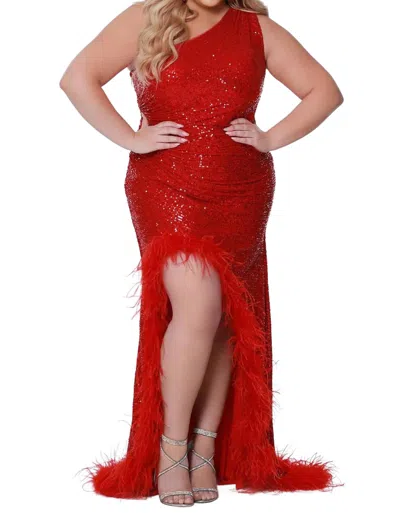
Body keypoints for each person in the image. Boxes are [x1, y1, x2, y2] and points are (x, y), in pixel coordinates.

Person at [60, 0, 343, 507]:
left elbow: (325, 91)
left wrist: (270, 138)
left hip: (241, 190)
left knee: (225, 315)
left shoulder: (256, 30)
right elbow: (77, 78)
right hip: (165, 186)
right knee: (200, 306)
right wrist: (130, 137)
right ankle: (171, 448)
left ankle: (205, 447)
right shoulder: (146, 16)